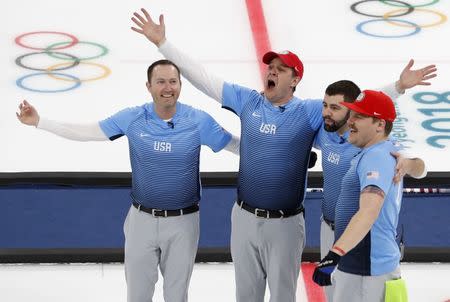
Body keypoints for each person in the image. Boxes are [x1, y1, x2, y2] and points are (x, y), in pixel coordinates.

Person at [130, 8, 436, 302]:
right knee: (245, 295)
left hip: (287, 224)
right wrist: (163, 44)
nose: (271, 72)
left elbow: (353, 108)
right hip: (244, 218)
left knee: (283, 296)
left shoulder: (309, 112)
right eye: (270, 67)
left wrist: (398, 87)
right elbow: (204, 78)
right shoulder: (248, 101)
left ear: (295, 80)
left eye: (280, 69)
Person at [16, 59, 239, 302]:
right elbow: (87, 132)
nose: (168, 87)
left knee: (177, 296)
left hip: (183, 224)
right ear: (149, 86)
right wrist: (40, 122)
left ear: (180, 85)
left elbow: (236, 146)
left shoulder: (198, 121)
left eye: (173, 81)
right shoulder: (133, 118)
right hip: (141, 222)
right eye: (161, 82)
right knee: (137, 296)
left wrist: (279, 145)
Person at [314, 80, 429, 301]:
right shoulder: (380, 151)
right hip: (362, 265)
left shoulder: (375, 158)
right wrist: (410, 163)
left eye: (359, 117)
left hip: (366, 270)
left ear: (379, 125)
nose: (351, 122)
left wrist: (334, 255)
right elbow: (420, 167)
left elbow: (369, 212)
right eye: (352, 115)